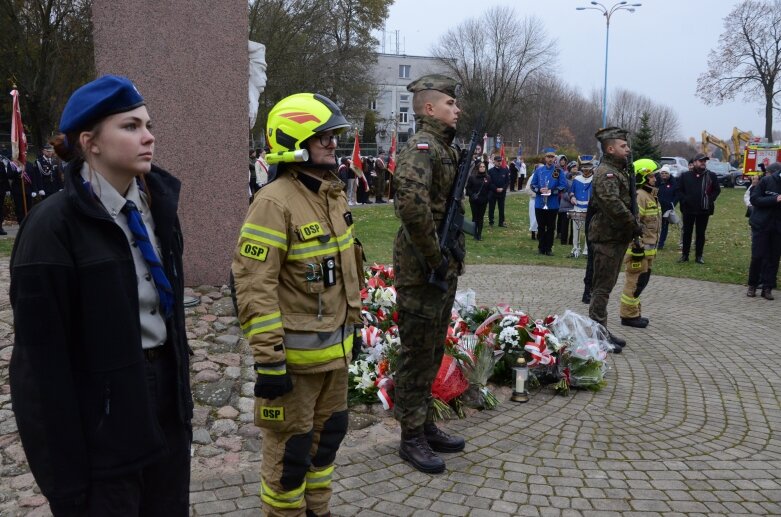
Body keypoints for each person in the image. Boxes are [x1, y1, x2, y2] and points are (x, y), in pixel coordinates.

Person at [10, 75, 192, 515]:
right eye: (130, 127)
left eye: (148, 125)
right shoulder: (52, 229)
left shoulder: (158, 206)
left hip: (165, 397)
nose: (148, 137)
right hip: (102, 419)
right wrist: (65, 485)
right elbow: (39, 369)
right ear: (90, 142)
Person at [232, 92, 362, 516]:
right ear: (294, 139)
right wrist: (269, 363)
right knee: (291, 455)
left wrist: (353, 331)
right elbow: (254, 287)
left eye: (333, 136)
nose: (332, 143)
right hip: (293, 366)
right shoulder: (273, 202)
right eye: (322, 136)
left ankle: (318, 511)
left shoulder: (332, 195)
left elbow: (346, 273)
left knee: (327, 443)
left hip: (335, 360)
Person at [392, 74, 466, 474]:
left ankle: (424, 423)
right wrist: (435, 257)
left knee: (433, 348)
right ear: (429, 109)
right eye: (451, 104)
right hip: (423, 268)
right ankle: (410, 437)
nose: (458, 110)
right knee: (416, 353)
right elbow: (411, 206)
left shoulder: (443, 148)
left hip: (439, 264)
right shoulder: (422, 147)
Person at [587, 127, 642, 352]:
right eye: (623, 146)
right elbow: (614, 206)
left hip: (615, 237)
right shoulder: (606, 173)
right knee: (602, 288)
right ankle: (597, 334)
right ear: (610, 148)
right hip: (606, 238)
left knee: (606, 286)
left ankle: (601, 329)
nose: (627, 149)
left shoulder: (618, 171)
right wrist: (634, 224)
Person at [619, 159, 661, 328]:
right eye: (652, 176)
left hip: (648, 251)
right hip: (638, 250)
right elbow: (633, 224)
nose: (655, 179)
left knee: (640, 283)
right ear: (643, 177)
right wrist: (636, 247)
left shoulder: (651, 196)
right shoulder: (640, 197)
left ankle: (634, 313)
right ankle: (628, 316)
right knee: (634, 283)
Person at [678, 153, 720, 264]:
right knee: (687, 232)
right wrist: (685, 200)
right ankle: (685, 255)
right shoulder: (685, 176)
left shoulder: (711, 175)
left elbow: (717, 190)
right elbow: (679, 190)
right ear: (694, 162)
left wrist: (709, 199)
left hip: (704, 210)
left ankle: (699, 256)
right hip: (688, 209)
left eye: (704, 161)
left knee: (700, 233)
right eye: (701, 161)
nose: (703, 163)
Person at [748, 162, 781, 300]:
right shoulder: (767, 181)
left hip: (778, 227)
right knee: (758, 256)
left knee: (773, 258)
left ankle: (767, 288)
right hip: (761, 225)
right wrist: (775, 199)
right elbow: (754, 199)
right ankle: (752, 285)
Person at [530, 151, 569, 255]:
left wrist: (552, 191)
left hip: (552, 204)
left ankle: (549, 248)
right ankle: (541, 247)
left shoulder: (558, 171)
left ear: (554, 159)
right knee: (541, 226)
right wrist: (539, 190)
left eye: (552, 157)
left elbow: (563, 186)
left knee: (551, 227)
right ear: (545, 158)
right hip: (540, 203)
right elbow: (532, 185)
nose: (550, 159)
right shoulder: (539, 170)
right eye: (548, 157)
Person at [569, 160, 593, 258]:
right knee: (576, 229)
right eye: (584, 168)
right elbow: (571, 191)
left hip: (589, 208)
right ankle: (575, 248)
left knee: (588, 230)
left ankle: (586, 250)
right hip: (577, 207)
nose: (585, 170)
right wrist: (572, 197)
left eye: (587, 168)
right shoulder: (577, 179)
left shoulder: (595, 179)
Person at [656, 165, 679, 250]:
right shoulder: (657, 181)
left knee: (664, 226)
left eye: (666, 173)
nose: (664, 175)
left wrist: (672, 203)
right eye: (662, 173)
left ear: (669, 174)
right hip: (657, 207)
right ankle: (655, 241)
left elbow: (677, 195)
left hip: (667, 208)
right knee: (657, 225)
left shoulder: (673, 182)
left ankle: (661, 243)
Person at [466, 161, 490, 240]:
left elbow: (489, 189)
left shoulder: (487, 177)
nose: (482, 168)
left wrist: (487, 197)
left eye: (483, 167)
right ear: (477, 168)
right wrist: (472, 195)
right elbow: (468, 188)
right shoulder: (472, 177)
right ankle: (474, 234)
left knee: (481, 217)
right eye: (481, 167)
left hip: (483, 200)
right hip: (474, 200)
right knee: (475, 217)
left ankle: (479, 234)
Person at [557, 161, 577, 245]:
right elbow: (563, 192)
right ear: (569, 169)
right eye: (573, 167)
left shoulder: (579, 179)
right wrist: (571, 198)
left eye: (576, 167)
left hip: (575, 205)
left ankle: (572, 240)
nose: (575, 168)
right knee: (565, 224)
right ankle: (563, 241)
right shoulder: (565, 179)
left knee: (574, 226)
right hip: (566, 205)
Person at [487, 155, 509, 227]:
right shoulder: (490, 171)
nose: (499, 162)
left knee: (501, 208)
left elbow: (507, 181)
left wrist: (503, 188)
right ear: (494, 162)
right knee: (491, 208)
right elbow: (489, 183)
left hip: (502, 193)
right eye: (498, 161)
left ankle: (501, 222)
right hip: (493, 193)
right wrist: (495, 188)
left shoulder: (505, 170)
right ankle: (491, 222)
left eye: (500, 161)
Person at [524, 164, 539, 239]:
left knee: (540, 217)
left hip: (542, 200)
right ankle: (533, 233)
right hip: (534, 200)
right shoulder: (532, 177)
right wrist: (535, 194)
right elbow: (527, 189)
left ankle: (539, 232)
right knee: (533, 216)